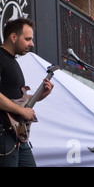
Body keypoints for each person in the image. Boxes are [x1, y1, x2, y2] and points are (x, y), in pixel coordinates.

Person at [0, 18, 54, 167]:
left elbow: (17, 99)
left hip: (17, 134)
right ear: (13, 37)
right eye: (28, 39)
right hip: (4, 133)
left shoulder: (13, 61)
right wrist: (22, 112)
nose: (32, 44)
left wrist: (41, 95)